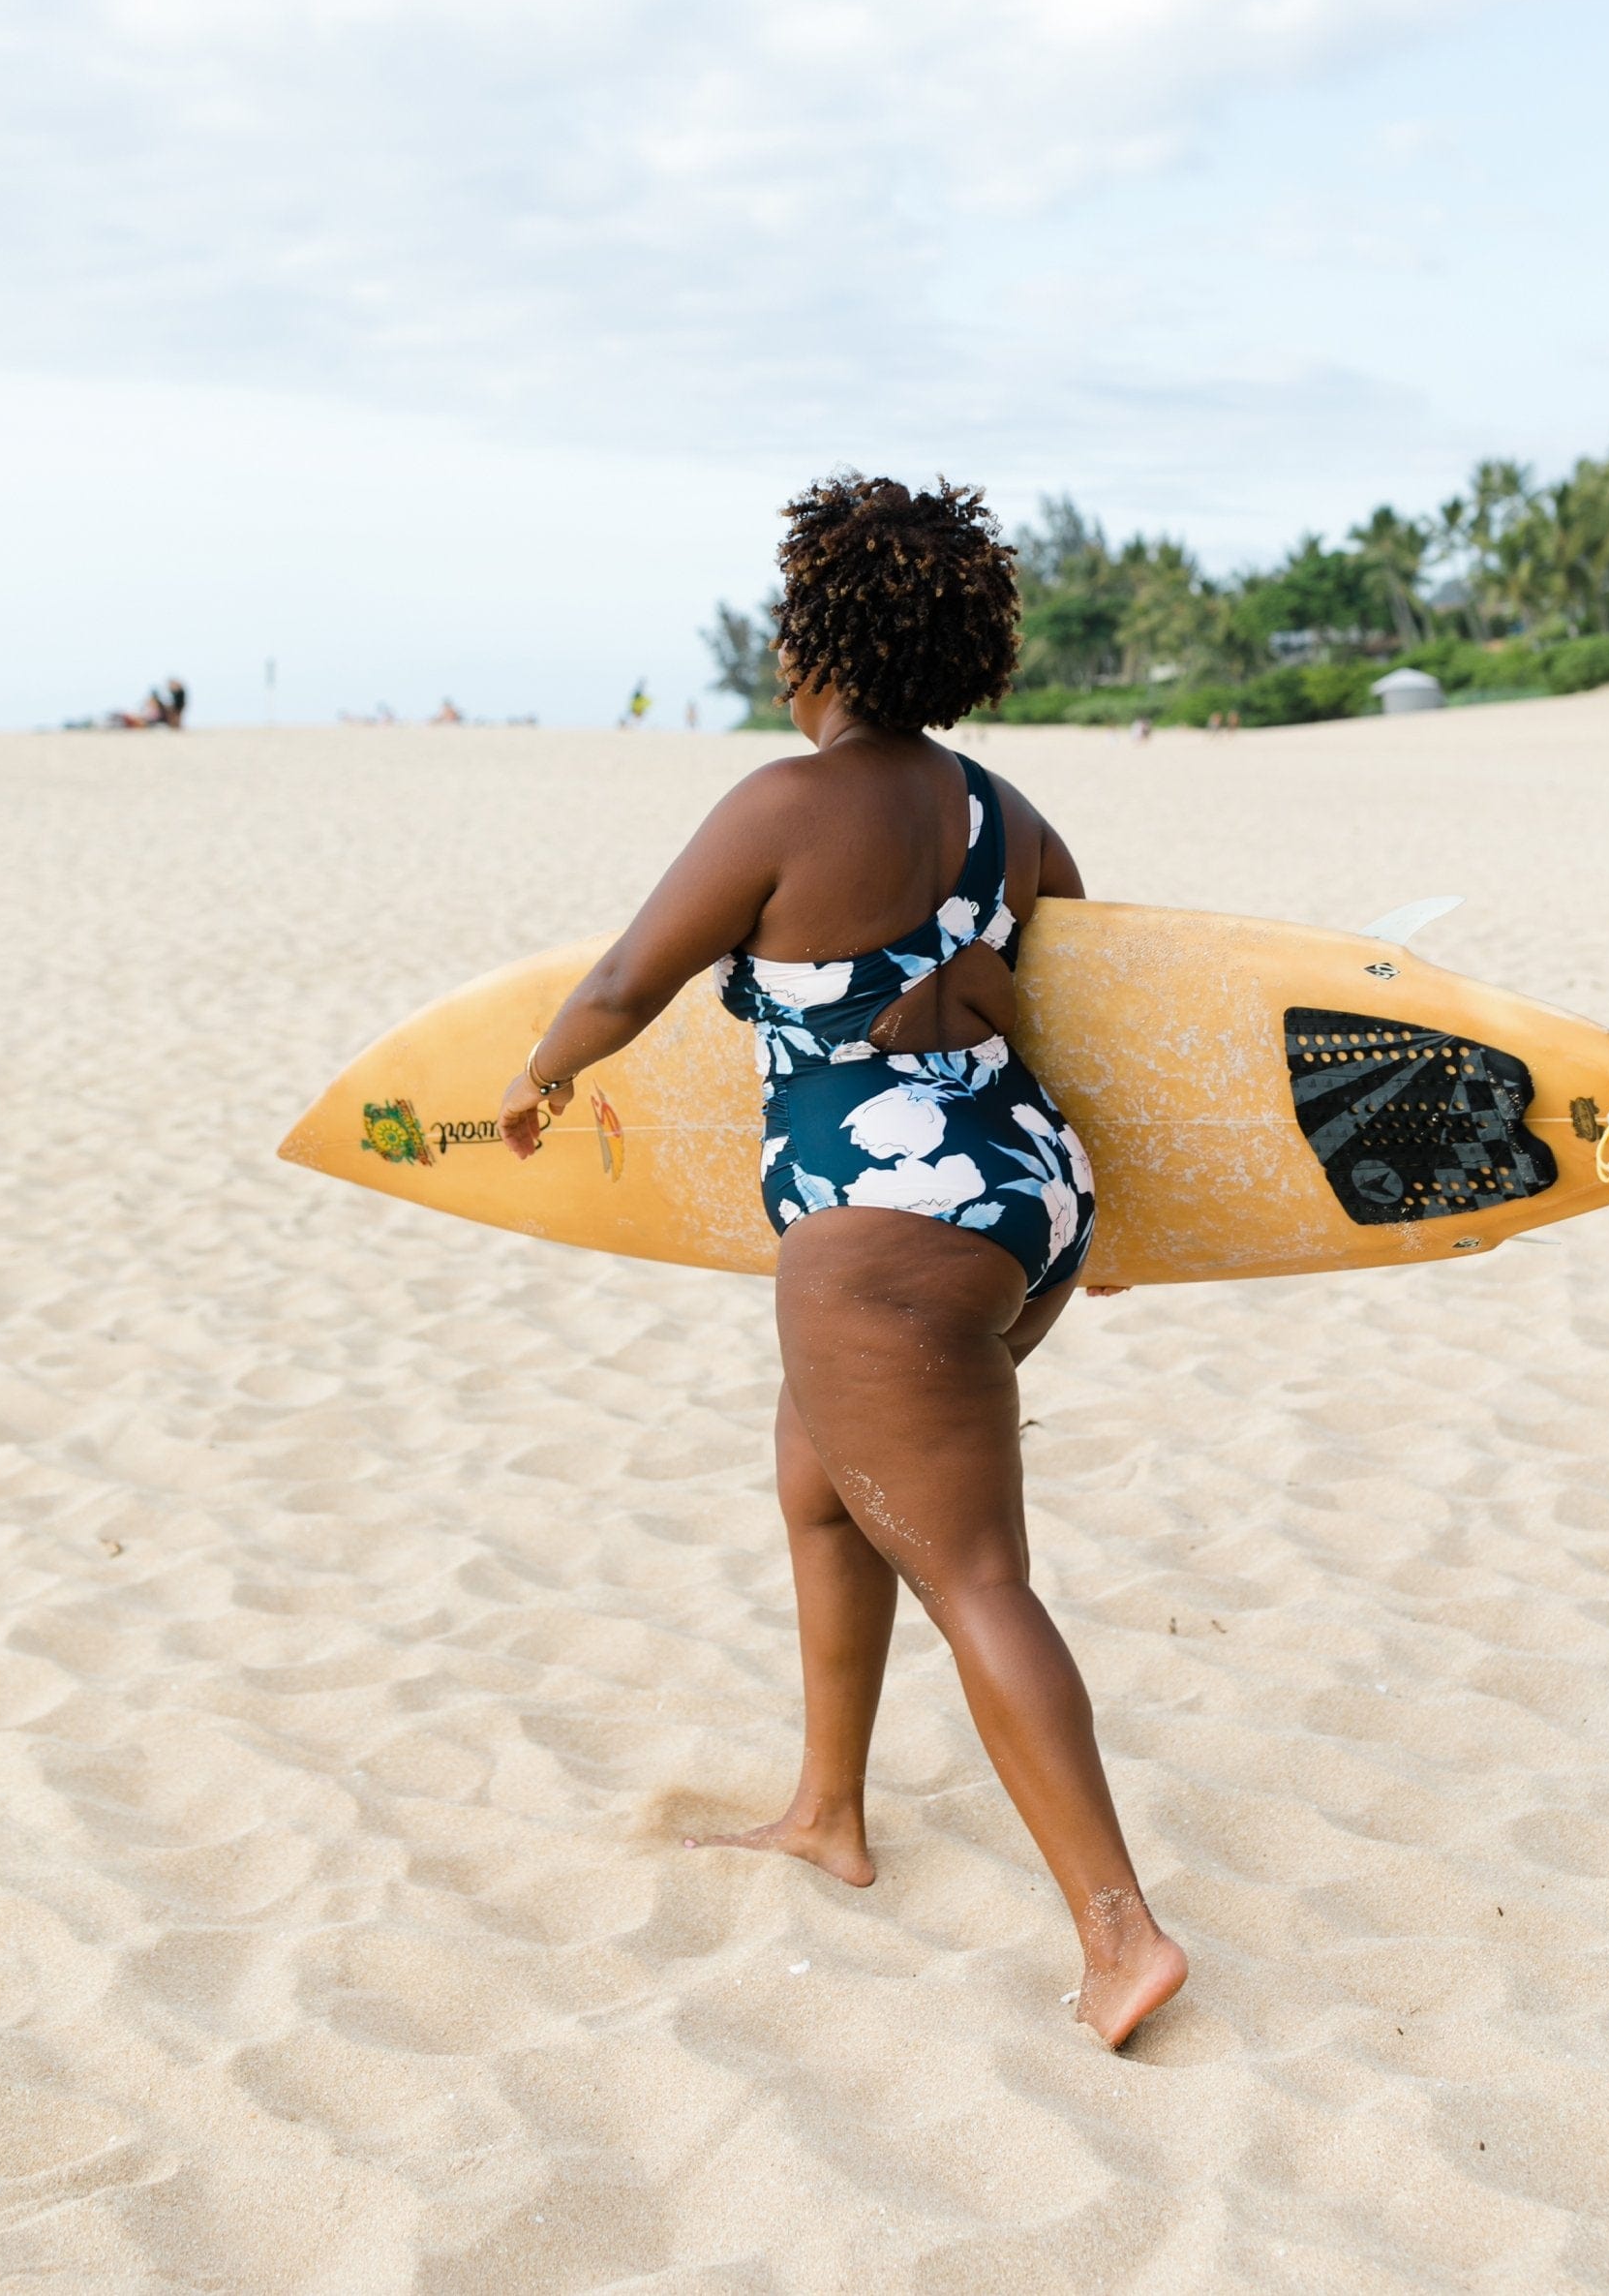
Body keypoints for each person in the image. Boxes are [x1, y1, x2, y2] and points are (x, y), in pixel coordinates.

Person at [496, 474, 1186, 2049]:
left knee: (973, 1571)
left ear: (814, 636)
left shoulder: (782, 803)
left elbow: (623, 979)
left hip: (880, 1240)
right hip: (1021, 1195)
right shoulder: (1007, 817)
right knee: (823, 1485)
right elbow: (1086, 988)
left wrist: (540, 1078)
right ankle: (826, 1809)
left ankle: (1119, 1931)